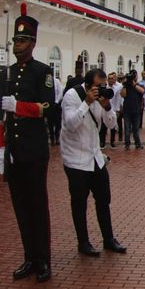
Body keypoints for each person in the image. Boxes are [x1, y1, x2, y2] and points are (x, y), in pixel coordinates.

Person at [0, 4, 56, 282]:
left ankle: (44, 260)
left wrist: (19, 107)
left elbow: (49, 108)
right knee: (20, 207)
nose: (17, 45)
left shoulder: (42, 72)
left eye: (22, 40)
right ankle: (29, 257)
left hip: (34, 151)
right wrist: (0, 148)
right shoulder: (6, 74)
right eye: (15, 40)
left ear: (32, 43)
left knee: (37, 206)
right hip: (15, 152)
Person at [61, 68, 128, 256]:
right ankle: (83, 243)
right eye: (99, 86)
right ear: (88, 85)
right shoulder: (72, 96)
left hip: (95, 157)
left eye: (104, 85)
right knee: (79, 203)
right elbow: (71, 125)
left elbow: (112, 125)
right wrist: (87, 102)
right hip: (75, 159)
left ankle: (109, 239)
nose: (102, 89)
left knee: (104, 200)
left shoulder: (102, 98)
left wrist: (107, 107)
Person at [120, 70, 145, 149]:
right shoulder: (126, 86)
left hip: (136, 110)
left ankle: (138, 143)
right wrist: (124, 85)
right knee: (127, 128)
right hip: (127, 110)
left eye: (134, 75)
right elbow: (122, 95)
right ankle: (127, 144)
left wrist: (134, 85)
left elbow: (142, 91)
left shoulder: (139, 85)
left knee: (136, 128)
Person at [100, 72, 122, 149]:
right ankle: (102, 142)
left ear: (114, 79)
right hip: (104, 109)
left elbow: (118, 99)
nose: (110, 80)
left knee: (113, 126)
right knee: (103, 126)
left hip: (113, 110)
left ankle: (112, 142)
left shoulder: (117, 89)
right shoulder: (104, 88)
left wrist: (117, 110)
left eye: (112, 78)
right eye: (109, 78)